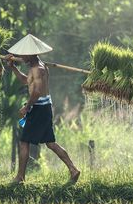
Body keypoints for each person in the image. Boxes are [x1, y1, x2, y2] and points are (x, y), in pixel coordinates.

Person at [5, 34, 80, 184]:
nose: (21, 56)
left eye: (23, 54)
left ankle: (20, 177)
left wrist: (27, 107)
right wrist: (13, 68)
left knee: (24, 141)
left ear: (31, 54)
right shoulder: (37, 67)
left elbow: (37, 92)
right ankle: (73, 169)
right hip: (43, 107)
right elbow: (26, 81)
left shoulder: (38, 69)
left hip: (39, 108)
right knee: (50, 143)